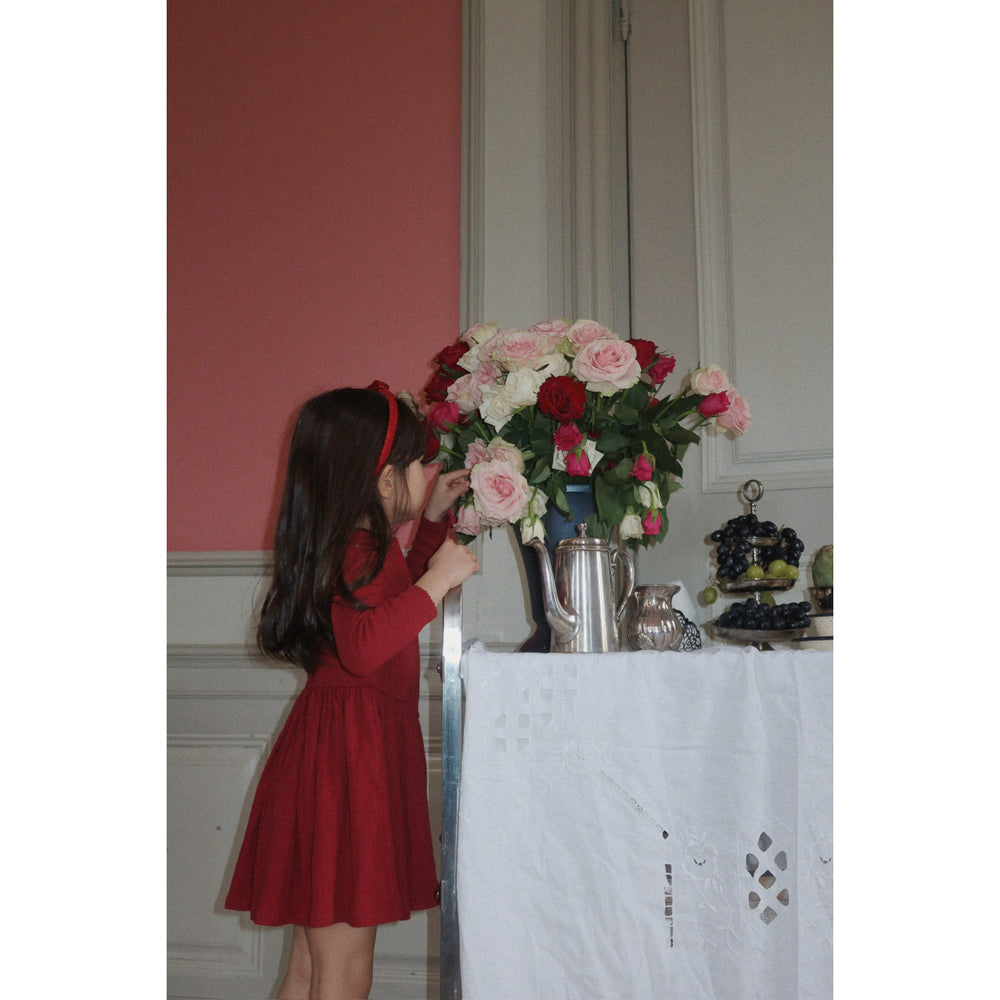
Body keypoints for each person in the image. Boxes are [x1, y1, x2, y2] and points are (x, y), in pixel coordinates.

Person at [224, 383, 479, 1000]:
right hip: (347, 765)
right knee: (342, 970)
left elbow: (383, 602)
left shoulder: (358, 547)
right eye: (418, 465)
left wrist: (429, 525)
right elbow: (366, 648)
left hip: (342, 756)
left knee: (311, 967)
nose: (425, 473)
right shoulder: (354, 549)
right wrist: (438, 581)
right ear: (385, 479)